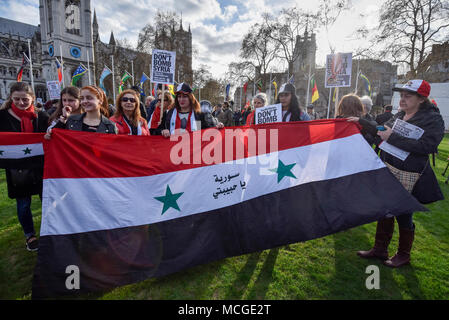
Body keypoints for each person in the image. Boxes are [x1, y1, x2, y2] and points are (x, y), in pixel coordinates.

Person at [350, 80, 445, 268]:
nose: (402, 99)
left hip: (410, 173)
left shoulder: (433, 120)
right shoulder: (400, 114)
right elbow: (381, 130)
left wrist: (392, 137)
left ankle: (403, 254)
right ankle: (380, 248)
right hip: (388, 166)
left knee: (403, 212)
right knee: (385, 208)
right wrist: (360, 122)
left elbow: (428, 146)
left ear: (421, 99)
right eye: (401, 95)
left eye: (407, 96)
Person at [0, 82, 49, 251]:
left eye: (25, 99)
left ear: (32, 99)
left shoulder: (41, 116)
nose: (21, 103)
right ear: (11, 98)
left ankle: (50, 232)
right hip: (17, 170)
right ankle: (30, 235)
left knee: (47, 202)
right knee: (23, 205)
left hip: (41, 168)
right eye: (17, 99)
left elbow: (51, 135)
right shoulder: (2, 116)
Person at [158, 82, 223, 138]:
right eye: (179, 96)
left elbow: (209, 131)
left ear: (190, 97)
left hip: (194, 150)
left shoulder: (199, 114)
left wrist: (218, 126)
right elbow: (157, 130)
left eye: (184, 96)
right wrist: (162, 131)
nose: (181, 99)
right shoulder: (169, 113)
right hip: (173, 150)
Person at [46, 85, 117, 135]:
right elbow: (54, 135)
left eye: (89, 98)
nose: (85, 101)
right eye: (82, 98)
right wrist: (62, 121)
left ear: (100, 100)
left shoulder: (110, 126)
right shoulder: (70, 120)